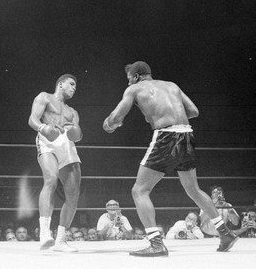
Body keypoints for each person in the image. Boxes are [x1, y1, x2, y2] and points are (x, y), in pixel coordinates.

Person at [102, 61, 238, 257]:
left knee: (139, 190)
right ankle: (225, 233)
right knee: (193, 189)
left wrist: (109, 124)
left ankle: (156, 243)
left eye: (129, 78)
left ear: (136, 76)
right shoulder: (172, 85)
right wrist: (170, 114)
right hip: (187, 135)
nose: (128, 82)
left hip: (166, 136)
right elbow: (193, 111)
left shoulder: (134, 89)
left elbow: (115, 118)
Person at [28, 74, 83, 252]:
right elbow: (32, 119)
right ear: (60, 84)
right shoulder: (44, 97)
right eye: (71, 84)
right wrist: (44, 128)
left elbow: (79, 135)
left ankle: (60, 240)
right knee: (50, 179)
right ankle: (44, 233)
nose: (74, 88)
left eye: (76, 86)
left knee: (73, 195)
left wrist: (73, 131)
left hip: (67, 145)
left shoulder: (73, 111)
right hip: (47, 141)